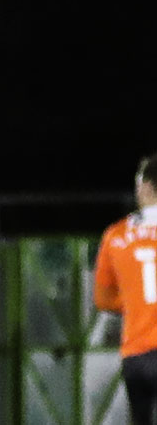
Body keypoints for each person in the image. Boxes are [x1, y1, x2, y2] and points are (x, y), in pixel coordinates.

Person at [95, 153, 157, 424]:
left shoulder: (116, 235)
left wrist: (134, 302)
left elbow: (102, 299)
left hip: (136, 352)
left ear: (144, 186)